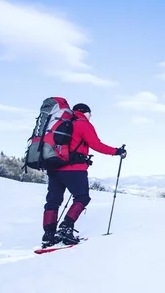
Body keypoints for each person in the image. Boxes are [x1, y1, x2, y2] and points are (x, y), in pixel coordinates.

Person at [41, 103, 127, 247]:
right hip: (74, 169)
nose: (91, 116)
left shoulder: (60, 123)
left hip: (54, 167)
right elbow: (96, 144)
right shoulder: (82, 124)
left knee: (53, 201)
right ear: (83, 112)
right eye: (89, 113)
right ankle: (65, 228)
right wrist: (117, 151)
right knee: (82, 197)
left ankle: (48, 236)